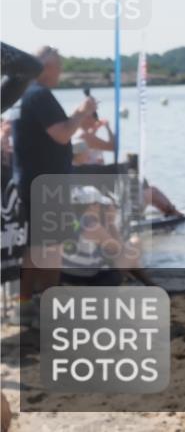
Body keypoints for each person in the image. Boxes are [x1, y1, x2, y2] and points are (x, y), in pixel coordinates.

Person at [11, 47, 96, 320]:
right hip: (47, 184)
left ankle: (25, 304)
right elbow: (61, 134)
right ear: (44, 67)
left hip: (29, 180)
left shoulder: (22, 93)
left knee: (34, 246)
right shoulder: (40, 94)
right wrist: (82, 113)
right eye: (58, 67)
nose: (60, 72)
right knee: (51, 248)